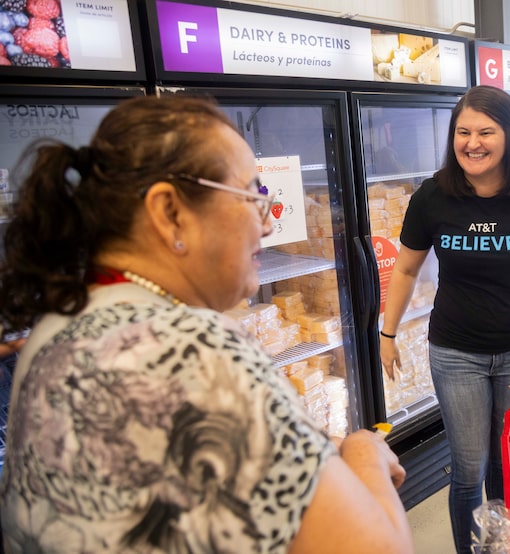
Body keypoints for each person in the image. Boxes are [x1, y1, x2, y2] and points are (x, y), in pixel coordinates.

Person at [0, 95, 413, 554]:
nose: (268, 226)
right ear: (170, 212)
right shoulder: (193, 349)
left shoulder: (59, 322)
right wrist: (363, 453)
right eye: (252, 197)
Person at [379, 85, 510, 553]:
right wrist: (386, 332)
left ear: (509, 135)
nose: (473, 142)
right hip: (455, 352)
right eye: (463, 132)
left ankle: (507, 546)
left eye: (486, 131)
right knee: (469, 469)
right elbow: (406, 268)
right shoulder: (433, 196)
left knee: (507, 465)